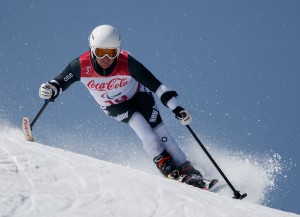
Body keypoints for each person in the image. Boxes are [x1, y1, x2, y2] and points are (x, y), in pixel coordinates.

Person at [39, 24, 207, 189]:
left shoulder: (127, 62)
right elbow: (58, 83)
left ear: (118, 50)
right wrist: (49, 90)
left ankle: (187, 168)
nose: (106, 58)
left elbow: (158, 86)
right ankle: (166, 165)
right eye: (100, 52)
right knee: (146, 133)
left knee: (162, 133)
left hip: (139, 97)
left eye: (112, 53)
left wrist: (176, 108)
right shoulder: (80, 66)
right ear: (92, 49)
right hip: (114, 106)